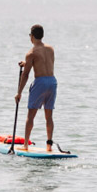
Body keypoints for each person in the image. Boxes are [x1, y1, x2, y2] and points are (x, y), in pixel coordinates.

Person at [15, 24, 57, 152]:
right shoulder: (50, 49)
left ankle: (26, 145)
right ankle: (49, 145)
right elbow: (43, 62)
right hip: (52, 81)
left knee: (31, 115)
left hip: (40, 82)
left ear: (31, 36)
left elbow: (26, 74)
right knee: (49, 116)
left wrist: (19, 93)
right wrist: (27, 63)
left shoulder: (31, 53)